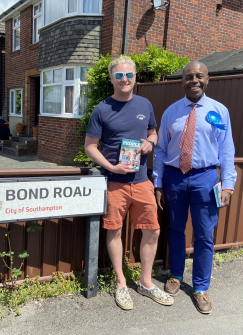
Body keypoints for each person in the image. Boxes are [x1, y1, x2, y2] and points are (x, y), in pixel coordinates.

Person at [85, 56, 173, 310]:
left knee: (153, 230)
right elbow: (90, 146)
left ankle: (146, 283)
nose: (125, 79)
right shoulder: (102, 109)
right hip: (114, 181)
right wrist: (111, 166)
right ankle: (121, 283)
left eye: (129, 75)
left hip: (141, 180)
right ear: (112, 78)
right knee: (114, 230)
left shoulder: (145, 103)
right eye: (119, 75)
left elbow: (153, 132)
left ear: (135, 78)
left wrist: (151, 143)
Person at [153, 61, 237, 314]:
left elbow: (226, 149)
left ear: (207, 79)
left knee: (204, 235)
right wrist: (158, 183)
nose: (194, 80)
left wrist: (228, 185)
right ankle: (176, 275)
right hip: (175, 178)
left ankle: (201, 288)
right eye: (189, 77)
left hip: (206, 179)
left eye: (199, 76)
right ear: (183, 81)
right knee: (176, 229)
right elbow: (160, 151)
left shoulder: (219, 111)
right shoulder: (171, 112)